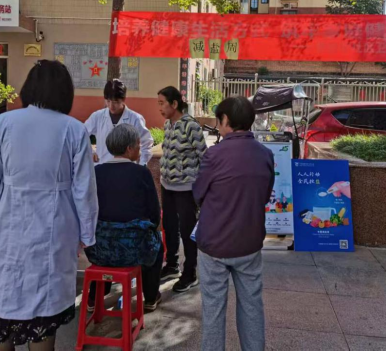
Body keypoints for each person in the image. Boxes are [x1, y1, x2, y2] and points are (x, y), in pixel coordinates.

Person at [0, 60, 98, 350]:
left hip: (9, 227)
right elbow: (84, 190)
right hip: (55, 229)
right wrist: (86, 233)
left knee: (4, 308)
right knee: (44, 314)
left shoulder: (4, 122)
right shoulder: (74, 129)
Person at [193, 96, 274, 351]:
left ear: (225, 120)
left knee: (213, 309)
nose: (218, 125)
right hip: (249, 242)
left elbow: (198, 193)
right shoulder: (265, 155)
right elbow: (265, 195)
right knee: (252, 306)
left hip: (214, 244)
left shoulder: (214, 154)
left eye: (219, 120)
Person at [84, 124, 164, 312]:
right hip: (134, 250)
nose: (140, 148)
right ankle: (151, 296)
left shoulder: (97, 172)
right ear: (129, 148)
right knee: (156, 243)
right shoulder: (141, 173)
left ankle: (94, 298)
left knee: (107, 237)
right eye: (138, 145)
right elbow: (154, 212)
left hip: (99, 250)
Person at [158, 86, 206, 293]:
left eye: (162, 103)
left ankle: (190, 273)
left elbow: (204, 156)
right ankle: (172, 265)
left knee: (187, 230)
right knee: (169, 226)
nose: (159, 107)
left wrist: (202, 188)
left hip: (186, 188)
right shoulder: (168, 124)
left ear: (175, 104)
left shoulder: (191, 126)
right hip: (167, 185)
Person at [84, 79, 153, 166]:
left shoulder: (135, 118)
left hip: (127, 169)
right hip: (102, 166)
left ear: (123, 99)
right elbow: (82, 134)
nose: (111, 106)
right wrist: (90, 151)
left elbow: (146, 143)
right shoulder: (97, 116)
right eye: (108, 101)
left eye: (116, 102)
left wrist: (142, 164)